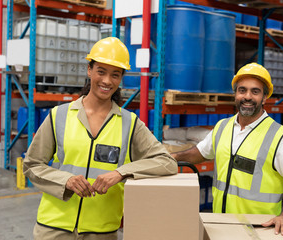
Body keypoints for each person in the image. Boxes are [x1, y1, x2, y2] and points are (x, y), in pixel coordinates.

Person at [23, 37, 178, 240]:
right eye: (101, 72)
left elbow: (167, 163)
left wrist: (121, 173)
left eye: (115, 75)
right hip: (54, 228)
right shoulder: (58, 115)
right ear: (89, 70)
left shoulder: (130, 124)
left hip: (101, 231)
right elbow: (32, 165)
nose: (106, 81)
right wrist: (66, 180)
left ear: (121, 78)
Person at [171, 62, 283, 236]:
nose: (247, 96)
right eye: (242, 90)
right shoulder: (223, 127)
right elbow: (199, 153)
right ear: (235, 94)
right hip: (220, 224)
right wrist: (171, 157)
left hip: (258, 230)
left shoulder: (279, 137)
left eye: (255, 91)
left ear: (265, 98)